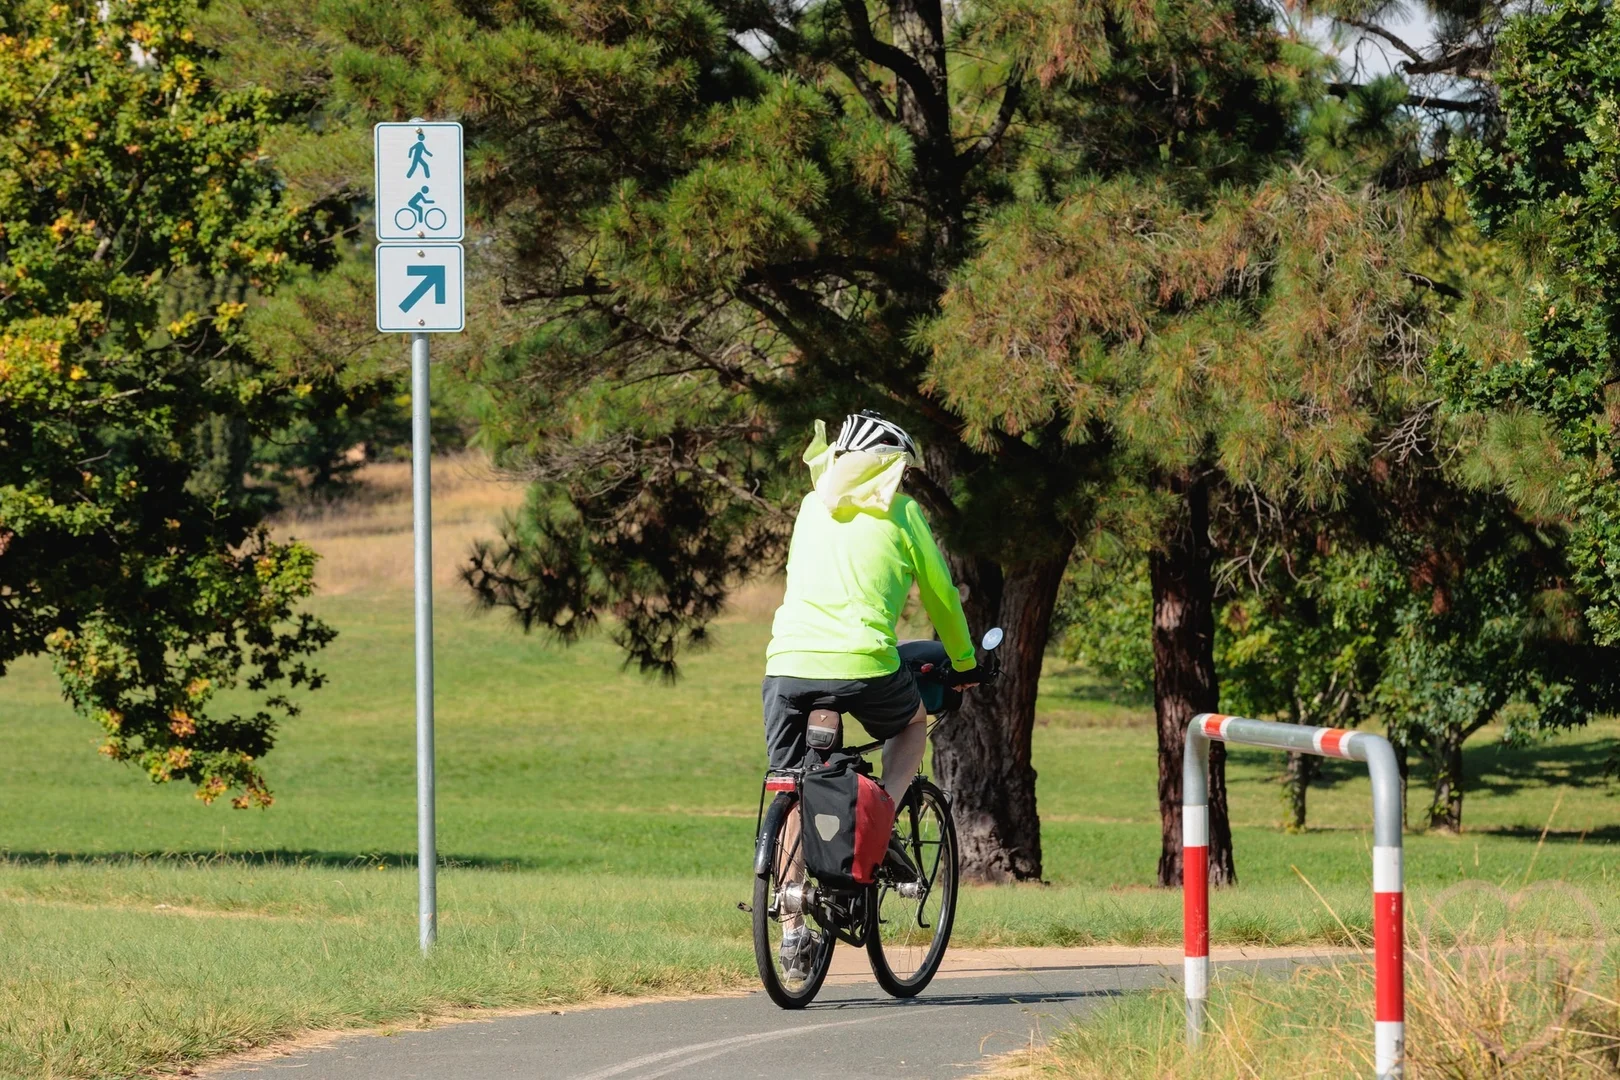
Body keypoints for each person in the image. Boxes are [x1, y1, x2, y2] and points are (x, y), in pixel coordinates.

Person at [762, 410, 977, 978]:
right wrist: (964, 663)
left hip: (787, 666)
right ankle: (878, 820)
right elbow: (941, 595)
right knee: (909, 724)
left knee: (792, 782)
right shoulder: (903, 513)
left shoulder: (811, 506)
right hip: (863, 664)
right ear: (886, 468)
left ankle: (791, 929)